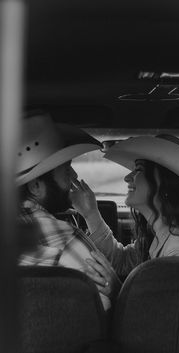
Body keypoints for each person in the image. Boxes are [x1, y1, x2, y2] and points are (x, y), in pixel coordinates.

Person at [81, 134, 179, 283]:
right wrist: (90, 213)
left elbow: (166, 308)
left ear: (166, 183)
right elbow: (121, 262)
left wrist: (115, 289)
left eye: (139, 170)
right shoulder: (162, 234)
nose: (127, 177)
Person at [17, 112, 121, 311]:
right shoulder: (66, 240)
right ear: (35, 186)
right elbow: (102, 312)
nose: (74, 176)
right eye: (66, 170)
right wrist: (117, 289)